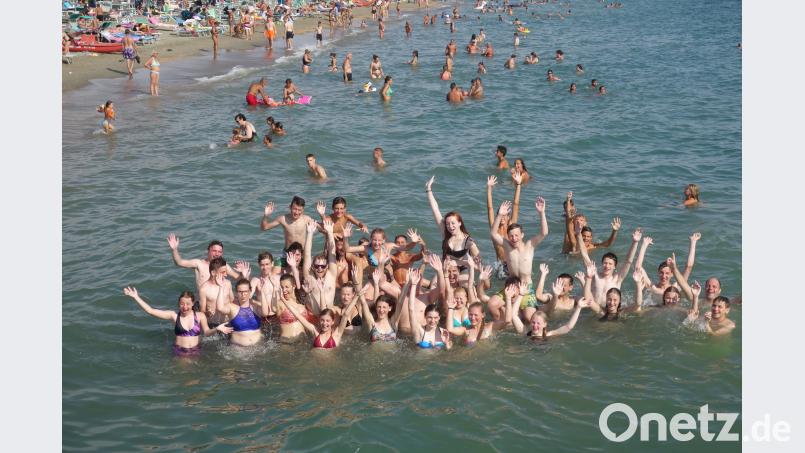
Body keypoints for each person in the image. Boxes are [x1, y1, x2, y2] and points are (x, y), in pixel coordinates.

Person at [122, 287, 232, 356]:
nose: (185, 307)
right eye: (182, 304)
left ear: (193, 304)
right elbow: (151, 311)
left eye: (188, 304)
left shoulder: (200, 316)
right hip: (180, 351)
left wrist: (217, 328)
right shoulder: (174, 316)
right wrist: (136, 297)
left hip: (197, 350)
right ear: (179, 304)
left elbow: (207, 332)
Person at [488, 198, 548, 320]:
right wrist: (499, 215)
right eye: (511, 236)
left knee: (529, 318)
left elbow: (544, 233)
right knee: (491, 305)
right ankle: (503, 323)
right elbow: (493, 234)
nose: (514, 238)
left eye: (516, 235)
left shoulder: (530, 245)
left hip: (527, 288)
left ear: (522, 235)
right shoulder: (507, 246)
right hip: (511, 287)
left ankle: (519, 314)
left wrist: (542, 213)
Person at [578, 227, 642, 305]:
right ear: (602, 264)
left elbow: (628, 261)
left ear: (615, 266)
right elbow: (584, 254)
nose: (607, 266)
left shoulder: (618, 278)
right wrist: (578, 234)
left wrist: (635, 242)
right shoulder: (595, 275)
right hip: (594, 309)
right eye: (605, 263)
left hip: (610, 310)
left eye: (610, 264)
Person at [166, 234, 244, 296]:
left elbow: (239, 279)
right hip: (204, 299)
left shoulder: (224, 266)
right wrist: (174, 249)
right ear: (208, 251)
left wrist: (243, 273)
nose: (217, 254)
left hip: (220, 298)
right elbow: (179, 262)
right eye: (214, 251)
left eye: (219, 252)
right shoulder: (199, 264)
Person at [425, 176, 481, 263]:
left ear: (459, 223)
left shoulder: (468, 241)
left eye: (453, 223)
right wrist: (428, 190)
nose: (450, 226)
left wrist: (455, 262)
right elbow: (435, 209)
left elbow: (478, 262)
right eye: (447, 224)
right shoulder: (446, 234)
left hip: (462, 272)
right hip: (445, 270)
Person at [447, 284, 519, 344]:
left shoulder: (490, 327)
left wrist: (508, 298)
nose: (472, 318)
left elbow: (507, 320)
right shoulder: (466, 331)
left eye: (475, 315)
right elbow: (450, 329)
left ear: (483, 315)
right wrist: (450, 308)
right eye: (470, 315)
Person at [214, 277, 271, 346]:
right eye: (240, 292)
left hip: (258, 347)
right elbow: (220, 308)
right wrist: (221, 287)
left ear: (250, 291)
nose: (243, 294)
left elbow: (265, 313)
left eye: (245, 291)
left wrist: (262, 291)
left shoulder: (255, 306)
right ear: (236, 293)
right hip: (238, 350)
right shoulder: (232, 307)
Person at [406, 270, 452, 349]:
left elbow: (449, 352)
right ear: (425, 317)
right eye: (430, 317)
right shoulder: (419, 330)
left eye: (435, 318)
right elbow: (411, 309)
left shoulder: (443, 332)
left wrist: (447, 343)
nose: (433, 321)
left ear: (439, 317)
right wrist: (413, 285)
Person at [485, 174, 522, 268]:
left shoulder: (512, 227)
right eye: (500, 215)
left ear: (508, 217)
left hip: (514, 263)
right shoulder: (495, 228)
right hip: (500, 265)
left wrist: (518, 185)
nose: (502, 217)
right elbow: (490, 208)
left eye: (505, 216)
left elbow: (516, 204)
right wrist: (489, 188)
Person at [510, 297, 590, 340]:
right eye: (533, 322)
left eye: (538, 323)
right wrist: (521, 295)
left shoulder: (548, 335)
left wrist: (578, 307)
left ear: (545, 324)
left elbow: (568, 327)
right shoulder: (525, 332)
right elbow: (513, 315)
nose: (535, 325)